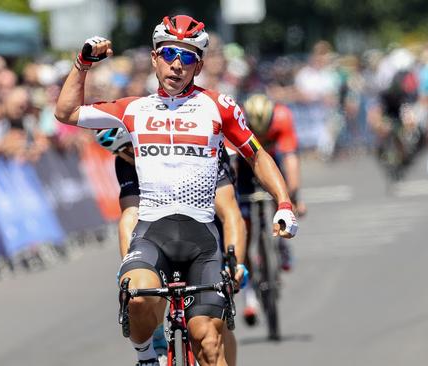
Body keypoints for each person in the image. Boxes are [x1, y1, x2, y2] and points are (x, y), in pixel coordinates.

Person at [55, 15, 297, 366]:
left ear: (198, 65)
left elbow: (256, 155)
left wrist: (285, 203)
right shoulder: (133, 109)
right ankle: (146, 357)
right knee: (137, 298)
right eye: (169, 54)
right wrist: (83, 64)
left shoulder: (219, 106)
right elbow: (67, 111)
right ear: (154, 57)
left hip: (203, 240)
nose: (176, 64)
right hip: (153, 232)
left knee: (210, 344)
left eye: (187, 57)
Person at [96, 127, 246, 366]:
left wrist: (236, 262)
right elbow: (130, 215)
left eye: (127, 148)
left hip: (208, 232)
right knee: (149, 286)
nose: (126, 156)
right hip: (159, 236)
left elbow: (230, 214)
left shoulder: (200, 153)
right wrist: (128, 263)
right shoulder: (125, 162)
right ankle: (155, 339)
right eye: (118, 152)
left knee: (214, 333)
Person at [238, 93, 304, 325]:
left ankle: (282, 244)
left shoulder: (283, 118)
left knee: (283, 194)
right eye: (259, 132)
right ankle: (249, 297)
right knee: (242, 229)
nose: (264, 136)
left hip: (272, 161)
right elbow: (229, 167)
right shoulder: (238, 120)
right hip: (244, 164)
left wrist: (293, 197)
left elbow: (291, 160)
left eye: (266, 131)